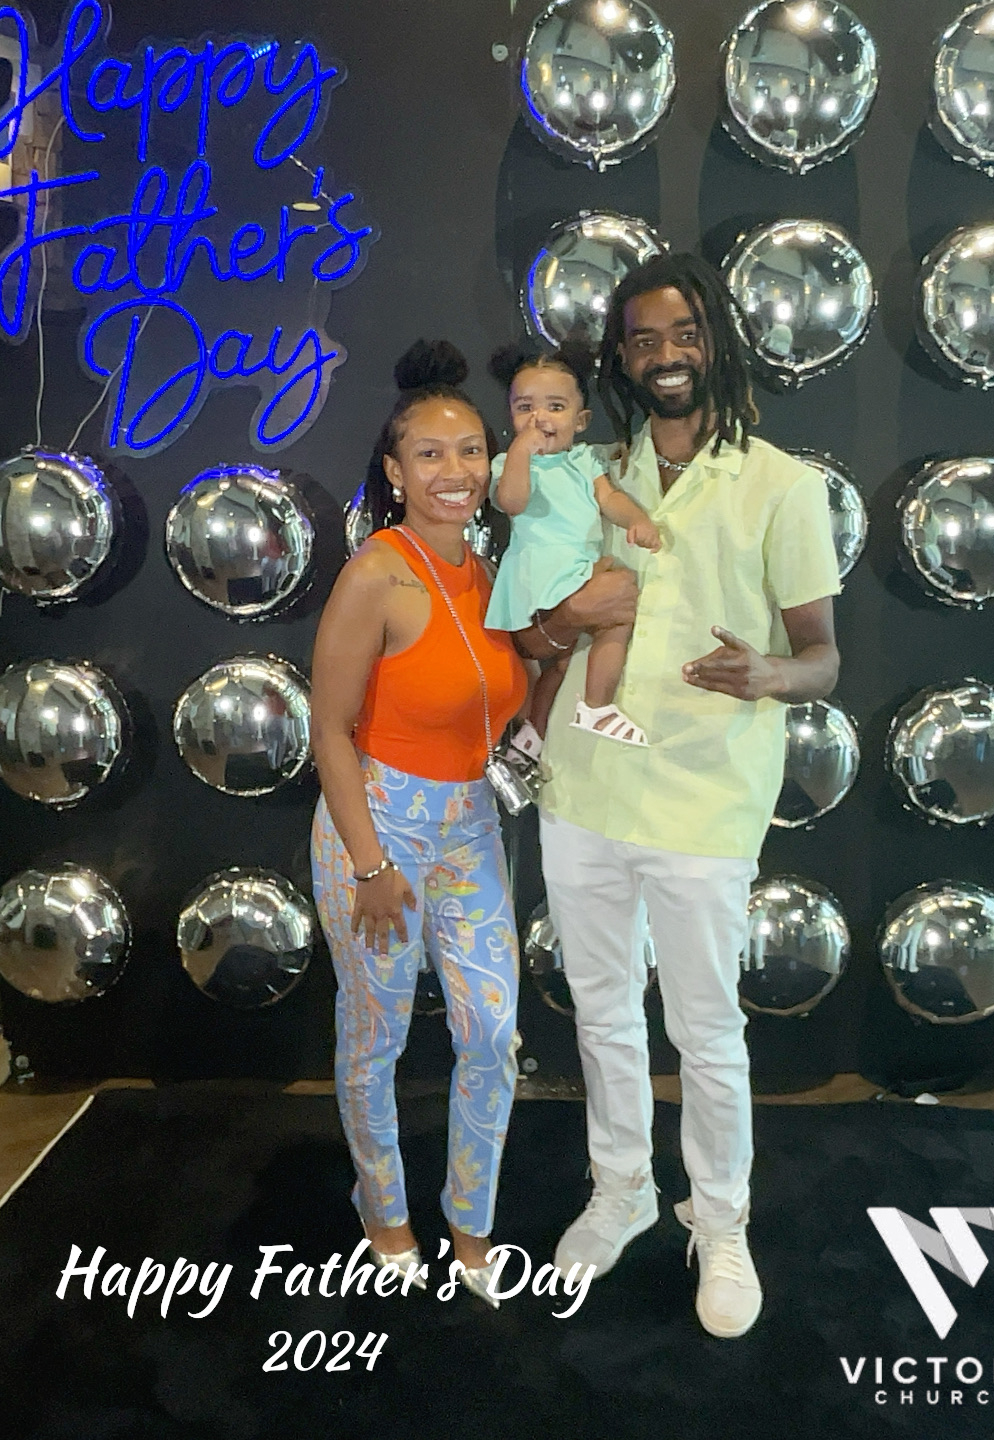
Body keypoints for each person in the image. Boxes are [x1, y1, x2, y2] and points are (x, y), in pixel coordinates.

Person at [518, 254, 842, 1338]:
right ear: (620, 358)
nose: (666, 355)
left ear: (718, 342)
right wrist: (566, 621)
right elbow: (536, 632)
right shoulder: (586, 473)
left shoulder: (782, 485)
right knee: (602, 1011)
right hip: (584, 789)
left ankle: (723, 1218)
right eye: (645, 339)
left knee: (707, 1029)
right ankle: (621, 1190)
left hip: (705, 799)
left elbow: (824, 658)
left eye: (685, 333)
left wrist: (768, 674)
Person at [309, 340, 529, 1307]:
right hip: (378, 829)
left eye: (470, 450)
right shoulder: (377, 573)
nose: (455, 470)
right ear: (395, 472)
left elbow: (503, 698)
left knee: (493, 1030)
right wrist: (368, 865)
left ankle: (470, 1218)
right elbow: (327, 727)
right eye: (430, 453)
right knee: (377, 1034)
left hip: (471, 824)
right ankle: (384, 1209)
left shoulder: (492, 570)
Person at [484, 340, 660, 745]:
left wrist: (637, 520)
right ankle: (597, 706)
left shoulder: (583, 460)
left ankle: (535, 733)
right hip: (542, 569)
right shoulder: (508, 463)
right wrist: (520, 452)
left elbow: (609, 499)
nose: (539, 417)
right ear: (511, 415)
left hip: (579, 566)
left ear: (581, 421)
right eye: (525, 407)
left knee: (564, 664)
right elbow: (512, 501)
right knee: (615, 619)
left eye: (555, 407)